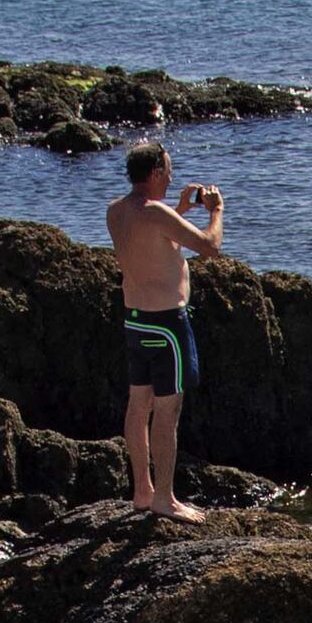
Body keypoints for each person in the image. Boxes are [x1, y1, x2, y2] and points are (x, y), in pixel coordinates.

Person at [103, 144, 223, 520]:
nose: (170, 179)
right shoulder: (155, 213)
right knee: (168, 410)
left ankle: (143, 491)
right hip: (167, 325)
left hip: (136, 319)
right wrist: (216, 210)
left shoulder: (117, 210)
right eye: (167, 172)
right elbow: (209, 247)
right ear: (154, 171)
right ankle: (165, 498)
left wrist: (183, 211)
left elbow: (153, 244)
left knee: (138, 405)